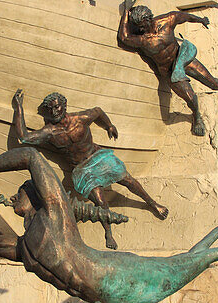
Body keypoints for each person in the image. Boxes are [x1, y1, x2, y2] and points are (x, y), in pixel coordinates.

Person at [0, 144, 218, 303]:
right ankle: (205, 254)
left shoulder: (55, 214)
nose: (13, 196)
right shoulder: (27, 246)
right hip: (104, 295)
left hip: (117, 275)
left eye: (20, 190)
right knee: (184, 264)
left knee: (179, 268)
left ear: (36, 195)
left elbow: (33, 157)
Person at [11, 89, 167, 250]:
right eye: (50, 109)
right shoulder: (49, 132)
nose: (54, 112)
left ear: (64, 106)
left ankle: (152, 203)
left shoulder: (80, 119)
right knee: (100, 200)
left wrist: (109, 125)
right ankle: (108, 232)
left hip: (98, 157)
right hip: (81, 169)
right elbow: (24, 137)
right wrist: (19, 109)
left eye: (57, 107)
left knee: (127, 179)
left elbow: (98, 111)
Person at [116, 0, 218, 137]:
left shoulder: (167, 21)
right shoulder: (143, 40)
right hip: (170, 71)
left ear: (147, 19)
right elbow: (124, 37)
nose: (139, 30)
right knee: (191, 97)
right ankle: (197, 117)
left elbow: (185, 17)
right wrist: (126, 11)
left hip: (182, 58)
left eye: (140, 26)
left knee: (210, 80)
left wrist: (201, 20)